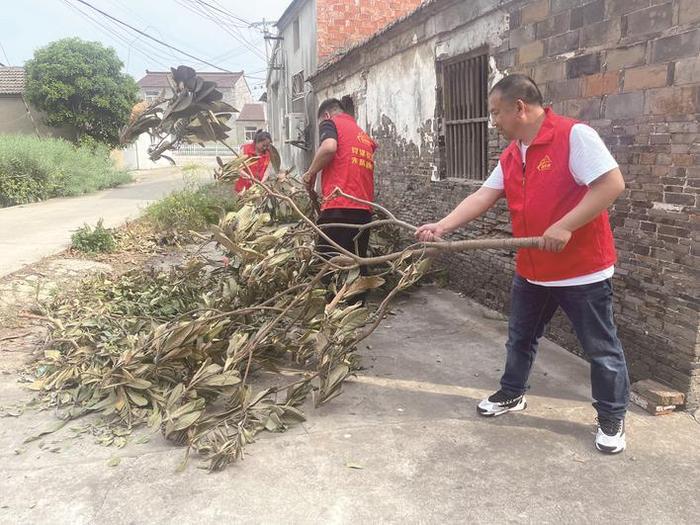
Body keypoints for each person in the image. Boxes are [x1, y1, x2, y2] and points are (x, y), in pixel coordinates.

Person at [416, 74, 630, 454]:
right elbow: (484, 195)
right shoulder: (514, 152)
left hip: (582, 271)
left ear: (520, 107)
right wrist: (442, 225)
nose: (492, 121)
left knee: (600, 348)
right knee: (520, 338)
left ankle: (611, 416)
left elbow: (611, 184)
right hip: (533, 270)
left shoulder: (573, 136)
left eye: (496, 112)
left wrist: (565, 225)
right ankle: (513, 393)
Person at [302, 98, 377, 303]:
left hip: (340, 203)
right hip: (364, 208)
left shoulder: (330, 123)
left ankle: (329, 308)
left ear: (326, 115)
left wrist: (310, 174)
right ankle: (356, 305)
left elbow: (329, 148)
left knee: (326, 259)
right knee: (356, 258)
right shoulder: (361, 134)